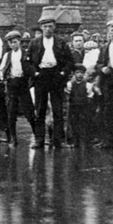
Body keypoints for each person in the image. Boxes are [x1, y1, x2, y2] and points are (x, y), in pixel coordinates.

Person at [27, 15, 72, 149]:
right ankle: (39, 140)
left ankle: (58, 141)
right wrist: (34, 73)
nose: (48, 29)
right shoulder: (34, 43)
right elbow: (27, 62)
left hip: (56, 76)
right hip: (41, 76)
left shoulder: (61, 42)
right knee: (40, 109)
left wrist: (63, 73)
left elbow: (69, 61)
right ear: (41, 28)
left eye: (50, 26)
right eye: (45, 26)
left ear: (54, 27)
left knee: (58, 109)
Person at [0, 30, 36, 147]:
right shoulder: (7, 55)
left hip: (23, 84)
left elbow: (31, 68)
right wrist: (2, 75)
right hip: (12, 84)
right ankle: (13, 138)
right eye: (10, 43)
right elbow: (2, 69)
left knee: (29, 110)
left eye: (14, 42)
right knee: (11, 112)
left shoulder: (26, 53)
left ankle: (37, 135)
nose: (12, 45)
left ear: (19, 42)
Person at [95, 19, 113, 148]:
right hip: (109, 82)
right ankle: (109, 141)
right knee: (108, 111)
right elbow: (98, 64)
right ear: (108, 33)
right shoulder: (105, 48)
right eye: (112, 31)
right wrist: (102, 68)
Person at [65, 66, 95, 148]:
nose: (79, 75)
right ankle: (75, 141)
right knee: (74, 123)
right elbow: (68, 95)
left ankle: (86, 141)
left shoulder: (88, 85)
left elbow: (90, 96)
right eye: (77, 73)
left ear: (84, 74)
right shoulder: (70, 84)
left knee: (84, 122)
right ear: (74, 74)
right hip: (73, 106)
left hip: (84, 107)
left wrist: (88, 105)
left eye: (81, 73)